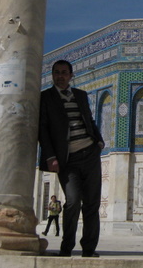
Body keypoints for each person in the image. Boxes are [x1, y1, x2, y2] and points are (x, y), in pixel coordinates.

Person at [38, 59, 105, 257]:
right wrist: (50, 156)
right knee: (73, 201)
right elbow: (42, 129)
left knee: (92, 204)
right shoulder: (46, 98)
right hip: (68, 159)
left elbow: (89, 120)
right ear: (52, 75)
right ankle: (66, 247)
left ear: (71, 75)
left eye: (64, 72)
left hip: (90, 154)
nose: (60, 76)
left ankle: (89, 249)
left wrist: (98, 141)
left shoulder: (81, 95)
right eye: (57, 72)